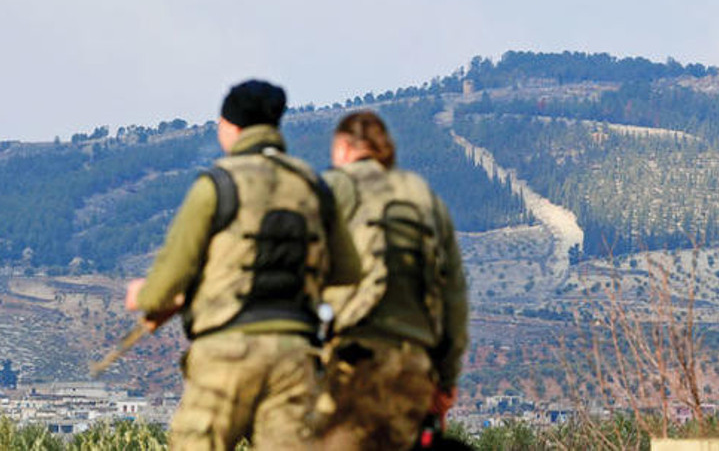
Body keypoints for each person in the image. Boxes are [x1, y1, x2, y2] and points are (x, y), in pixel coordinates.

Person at [124, 80, 360, 451]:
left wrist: (146, 295)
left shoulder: (217, 185)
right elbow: (348, 271)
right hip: (294, 356)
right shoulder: (314, 187)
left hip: (226, 353)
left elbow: (169, 276)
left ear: (230, 126)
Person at [318, 110, 468, 451]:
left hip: (352, 365)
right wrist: (445, 380)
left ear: (342, 148)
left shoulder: (332, 189)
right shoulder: (422, 196)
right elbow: (454, 298)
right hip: (413, 370)